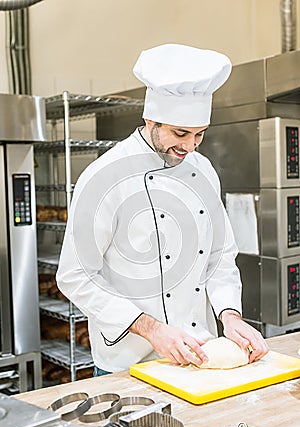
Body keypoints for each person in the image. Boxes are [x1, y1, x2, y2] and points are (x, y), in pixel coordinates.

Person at [56, 43, 269, 375]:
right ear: (150, 118)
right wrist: (153, 330)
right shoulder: (104, 176)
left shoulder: (204, 171)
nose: (189, 147)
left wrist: (230, 315)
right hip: (129, 362)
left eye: (199, 135)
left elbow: (220, 256)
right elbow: (76, 275)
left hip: (200, 354)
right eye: (180, 133)